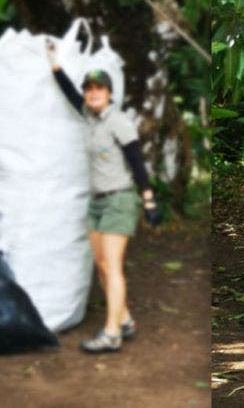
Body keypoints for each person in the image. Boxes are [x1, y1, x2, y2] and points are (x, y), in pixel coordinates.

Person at [46, 40, 161, 353]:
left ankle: (112, 333)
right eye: (89, 89)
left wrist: (149, 200)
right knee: (100, 264)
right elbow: (70, 94)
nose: (93, 93)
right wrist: (55, 64)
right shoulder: (88, 115)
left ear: (109, 92)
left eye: (99, 88)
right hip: (96, 202)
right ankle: (125, 320)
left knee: (112, 265)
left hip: (119, 201)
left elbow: (137, 163)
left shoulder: (118, 121)